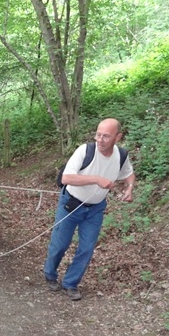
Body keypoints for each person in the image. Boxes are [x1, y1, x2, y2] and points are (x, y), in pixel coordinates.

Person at [43, 118, 135, 301]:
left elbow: (129, 174)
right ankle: (50, 274)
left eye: (106, 136)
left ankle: (71, 283)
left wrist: (130, 188)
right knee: (60, 244)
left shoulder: (121, 155)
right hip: (70, 203)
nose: (100, 140)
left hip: (95, 209)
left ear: (118, 137)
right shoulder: (85, 150)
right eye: (98, 135)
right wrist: (96, 179)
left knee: (86, 248)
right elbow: (67, 178)